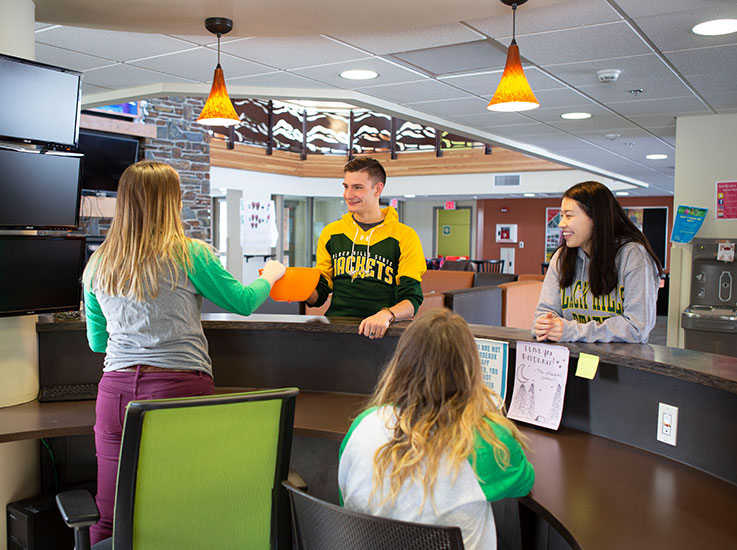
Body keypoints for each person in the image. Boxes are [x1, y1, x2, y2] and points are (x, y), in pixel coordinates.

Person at [82, 161, 286, 544]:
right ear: (170, 202)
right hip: (178, 391)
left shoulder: (98, 264)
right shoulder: (190, 254)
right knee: (185, 505)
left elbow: (97, 342)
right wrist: (269, 275)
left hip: (115, 394)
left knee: (109, 514)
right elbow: (241, 302)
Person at [338, 309, 534, 550]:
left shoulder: (364, 424)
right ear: (469, 371)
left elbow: (346, 499)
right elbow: (525, 481)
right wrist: (485, 411)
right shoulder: (486, 440)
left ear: (401, 364)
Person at [305, 156, 426, 339]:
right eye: (346, 186)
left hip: (382, 335)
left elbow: (411, 301)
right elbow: (319, 294)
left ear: (378, 189)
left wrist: (386, 315)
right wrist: (299, 289)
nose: (348, 194)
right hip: (336, 332)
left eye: (357, 187)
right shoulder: (331, 232)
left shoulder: (405, 236)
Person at [534, 180, 663, 343]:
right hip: (569, 361)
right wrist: (544, 325)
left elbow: (637, 327)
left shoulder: (633, 256)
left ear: (595, 218)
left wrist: (573, 331)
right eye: (561, 216)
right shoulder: (562, 257)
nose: (561, 224)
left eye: (569, 215)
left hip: (618, 365)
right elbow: (544, 313)